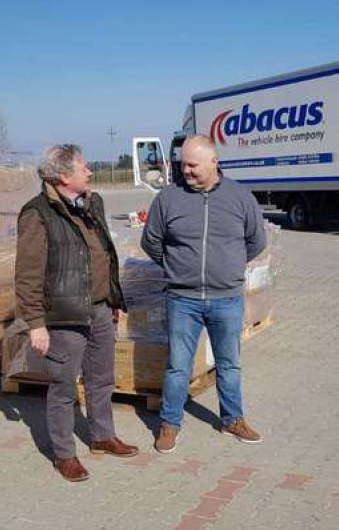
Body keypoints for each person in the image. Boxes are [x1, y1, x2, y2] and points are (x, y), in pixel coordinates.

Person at [15, 144, 138, 481]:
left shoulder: (92, 203)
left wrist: (112, 299)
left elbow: (105, 255)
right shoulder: (37, 213)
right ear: (63, 176)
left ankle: (102, 436)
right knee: (63, 385)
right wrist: (36, 325)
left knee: (102, 378)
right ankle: (64, 454)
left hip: (99, 309)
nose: (90, 172)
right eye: (84, 167)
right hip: (64, 316)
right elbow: (27, 275)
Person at [140, 135, 267, 453]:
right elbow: (151, 240)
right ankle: (169, 424)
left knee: (229, 364)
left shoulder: (240, 197)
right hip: (182, 299)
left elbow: (256, 240)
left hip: (227, 298)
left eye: (192, 165)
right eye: (183, 165)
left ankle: (232, 420)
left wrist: (229, 267)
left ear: (214, 162)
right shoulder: (169, 198)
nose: (186, 171)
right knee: (178, 366)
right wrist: (176, 266)